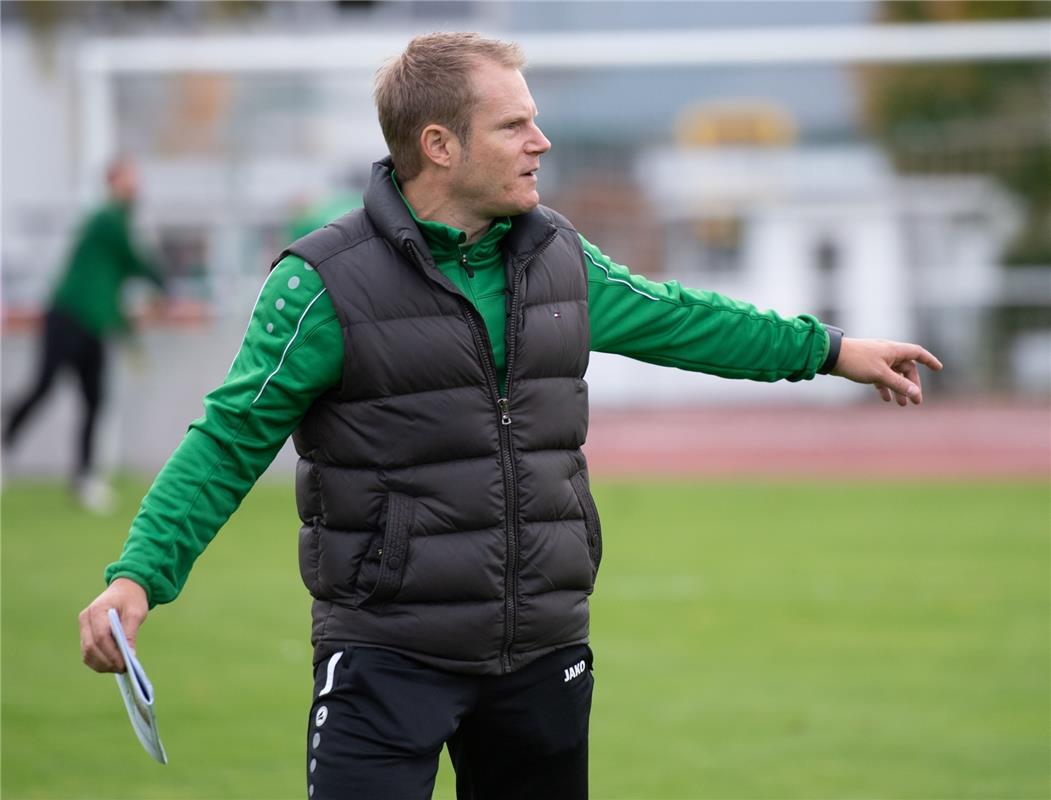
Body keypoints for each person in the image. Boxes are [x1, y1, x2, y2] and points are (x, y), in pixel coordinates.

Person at [78, 33, 942, 799]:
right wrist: (139, 575)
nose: (542, 142)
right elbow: (228, 440)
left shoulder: (558, 254)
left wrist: (829, 351)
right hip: (386, 652)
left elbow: (684, 318)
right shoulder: (322, 281)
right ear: (439, 145)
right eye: (514, 126)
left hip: (542, 652)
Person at [4, 158, 165, 513]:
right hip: (66, 316)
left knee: (94, 399)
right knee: (43, 386)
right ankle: (5, 443)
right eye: (129, 178)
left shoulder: (119, 222)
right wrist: (163, 282)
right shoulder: (107, 219)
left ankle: (84, 479)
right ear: (113, 182)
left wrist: (132, 327)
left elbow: (117, 282)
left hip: (93, 326)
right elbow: (135, 261)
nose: (135, 184)